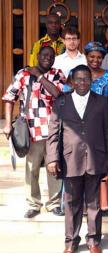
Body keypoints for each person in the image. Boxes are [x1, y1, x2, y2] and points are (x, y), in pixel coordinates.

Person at [46, 65, 108, 253]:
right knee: (71, 203)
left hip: (96, 158)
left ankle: (93, 240)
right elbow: (53, 133)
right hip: (70, 160)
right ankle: (71, 241)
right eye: (78, 79)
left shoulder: (100, 102)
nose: (82, 82)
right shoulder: (61, 102)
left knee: (94, 203)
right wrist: (52, 159)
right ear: (71, 81)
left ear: (91, 81)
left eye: (86, 79)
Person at [2, 46, 64, 218]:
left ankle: (54, 204)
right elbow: (9, 97)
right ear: (37, 56)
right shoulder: (23, 74)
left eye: (51, 56)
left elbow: (58, 94)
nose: (47, 58)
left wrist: (39, 76)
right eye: (44, 55)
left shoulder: (58, 74)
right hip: (32, 130)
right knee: (32, 169)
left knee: (55, 168)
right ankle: (33, 204)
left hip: (54, 130)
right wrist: (7, 124)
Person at [84, 41, 108, 119]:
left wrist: (102, 114)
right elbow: (67, 95)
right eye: (92, 56)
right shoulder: (76, 74)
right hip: (78, 122)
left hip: (103, 121)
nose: (95, 60)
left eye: (99, 57)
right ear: (86, 56)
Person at [53, 26, 87, 92]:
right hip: (62, 97)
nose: (72, 41)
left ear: (78, 41)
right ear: (63, 41)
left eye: (74, 38)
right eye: (68, 39)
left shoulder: (85, 60)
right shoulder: (56, 61)